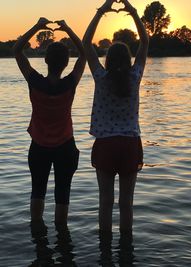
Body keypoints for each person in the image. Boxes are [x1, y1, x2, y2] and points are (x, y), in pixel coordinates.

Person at [83, 0, 149, 233]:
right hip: (130, 143)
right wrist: (132, 11)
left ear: (108, 60)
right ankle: (126, 249)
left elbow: (85, 44)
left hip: (106, 144)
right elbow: (145, 42)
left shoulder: (101, 78)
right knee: (126, 205)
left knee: (105, 203)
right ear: (128, 59)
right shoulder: (135, 77)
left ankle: (105, 250)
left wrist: (103, 10)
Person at [13, 18, 85, 224]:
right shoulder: (70, 83)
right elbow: (84, 54)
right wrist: (68, 29)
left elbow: (17, 51)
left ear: (46, 60)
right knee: (63, 195)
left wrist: (37, 26)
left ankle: (38, 238)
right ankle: (62, 239)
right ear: (66, 63)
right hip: (65, 147)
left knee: (38, 191)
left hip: (39, 147)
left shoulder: (35, 82)